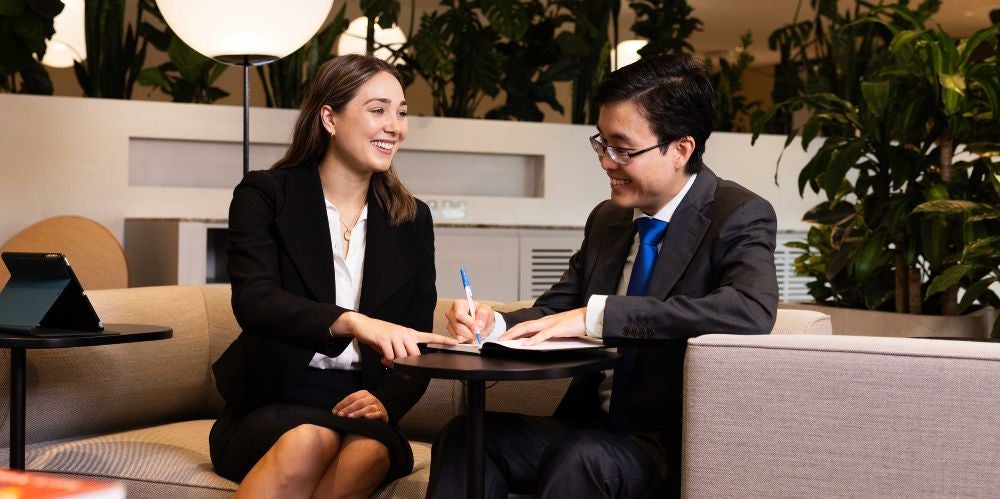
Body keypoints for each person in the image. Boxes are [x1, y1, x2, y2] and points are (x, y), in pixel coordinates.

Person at [426, 53, 779, 498]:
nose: (606, 162)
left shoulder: (737, 214)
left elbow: (750, 311)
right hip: (587, 427)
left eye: (623, 149)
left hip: (668, 442)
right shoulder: (609, 220)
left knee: (587, 458)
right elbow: (557, 307)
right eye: (601, 144)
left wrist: (600, 318)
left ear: (681, 149)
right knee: (466, 438)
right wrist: (492, 323)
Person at [209, 54, 456, 499]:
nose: (395, 126)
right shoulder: (265, 195)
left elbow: (415, 335)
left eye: (401, 113)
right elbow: (255, 300)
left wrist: (387, 400)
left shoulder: (411, 218)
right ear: (329, 117)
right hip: (273, 401)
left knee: (367, 452)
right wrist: (351, 320)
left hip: (362, 403)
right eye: (378, 110)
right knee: (310, 438)